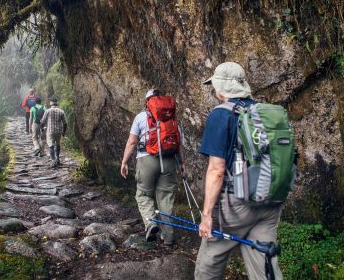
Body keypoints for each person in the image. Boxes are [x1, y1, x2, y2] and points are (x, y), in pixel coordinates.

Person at [194, 62, 283, 280]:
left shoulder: (221, 115)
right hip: (270, 200)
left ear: (221, 86)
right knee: (264, 263)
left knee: (210, 261)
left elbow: (216, 170)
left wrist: (206, 216)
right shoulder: (265, 112)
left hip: (236, 205)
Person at [120, 89, 186, 245]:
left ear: (147, 102)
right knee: (166, 199)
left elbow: (132, 142)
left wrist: (124, 162)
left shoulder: (141, 117)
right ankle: (168, 238)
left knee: (143, 195)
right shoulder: (172, 117)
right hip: (169, 161)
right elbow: (179, 144)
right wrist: (183, 164)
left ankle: (151, 224)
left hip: (146, 160)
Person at [40, 98, 67, 168]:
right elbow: (65, 123)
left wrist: (42, 129)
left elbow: (42, 121)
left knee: (51, 146)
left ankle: (53, 160)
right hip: (59, 131)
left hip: (50, 131)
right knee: (57, 144)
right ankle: (57, 159)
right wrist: (64, 132)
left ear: (50, 103)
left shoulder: (47, 111)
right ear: (57, 103)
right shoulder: (61, 111)